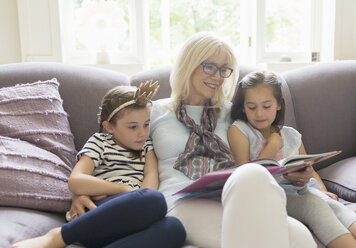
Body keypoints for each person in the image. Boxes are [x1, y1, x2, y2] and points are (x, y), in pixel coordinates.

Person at [69, 32, 316, 248]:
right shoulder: (152, 112)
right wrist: (79, 195)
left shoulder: (236, 114)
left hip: (232, 195)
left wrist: (295, 175)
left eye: (224, 69)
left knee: (301, 237)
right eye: (209, 67)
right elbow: (109, 147)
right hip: (181, 201)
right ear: (189, 64)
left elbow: (266, 150)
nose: (218, 76)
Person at [10, 81, 186, 248]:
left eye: (146, 124)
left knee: (174, 228)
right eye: (133, 127)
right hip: (99, 216)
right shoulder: (100, 142)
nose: (142, 133)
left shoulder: (147, 146)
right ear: (109, 127)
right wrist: (123, 190)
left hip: (132, 220)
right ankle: (59, 236)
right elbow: (76, 181)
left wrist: (139, 197)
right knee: (153, 199)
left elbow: (151, 177)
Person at [228, 70, 356, 248]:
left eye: (266, 106)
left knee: (338, 208)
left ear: (279, 105)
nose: (259, 113)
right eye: (252, 107)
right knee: (315, 205)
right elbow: (244, 176)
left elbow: (310, 170)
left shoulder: (292, 135)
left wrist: (321, 188)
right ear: (243, 107)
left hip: (304, 189)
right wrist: (272, 146)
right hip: (275, 195)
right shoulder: (240, 130)